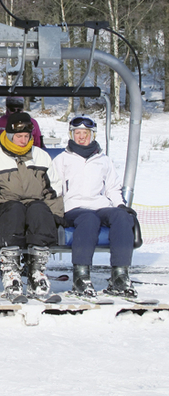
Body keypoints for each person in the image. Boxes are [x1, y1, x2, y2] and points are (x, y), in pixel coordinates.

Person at [0, 111, 64, 302]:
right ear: (10, 135)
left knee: (40, 210)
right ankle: (10, 271)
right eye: (19, 136)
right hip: (5, 205)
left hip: (34, 204)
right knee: (14, 209)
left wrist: (56, 213)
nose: (23, 140)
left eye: (26, 136)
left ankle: (37, 272)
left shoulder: (41, 156)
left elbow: (53, 189)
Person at [51, 115, 137, 298]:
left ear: (92, 135)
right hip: (74, 206)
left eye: (85, 133)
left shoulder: (103, 160)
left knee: (122, 217)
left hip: (99, 204)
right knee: (89, 219)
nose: (81, 137)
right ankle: (81, 277)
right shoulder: (62, 159)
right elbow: (55, 188)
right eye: (77, 133)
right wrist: (56, 211)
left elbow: (112, 187)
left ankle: (120, 275)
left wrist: (120, 205)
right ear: (72, 134)